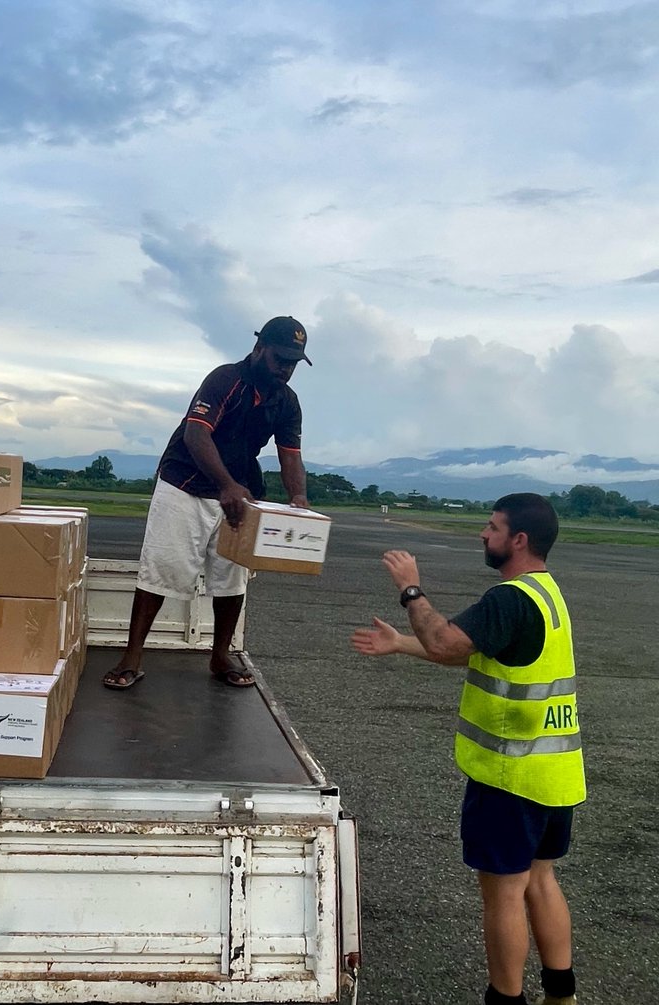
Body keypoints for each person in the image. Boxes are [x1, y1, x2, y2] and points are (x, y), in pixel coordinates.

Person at [351, 493, 584, 1005]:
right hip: (556, 776)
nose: (483, 532)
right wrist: (401, 644)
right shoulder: (548, 595)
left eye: (492, 526)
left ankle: (505, 999)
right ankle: (561, 996)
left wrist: (411, 590)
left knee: (504, 894)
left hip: (511, 777)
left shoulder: (509, 599)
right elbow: (473, 652)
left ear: (517, 540)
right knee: (541, 883)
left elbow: (445, 642)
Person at [102, 316, 311, 690]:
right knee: (161, 567)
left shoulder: (287, 401)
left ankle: (220, 655)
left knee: (232, 575)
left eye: (293, 362)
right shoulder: (225, 379)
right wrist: (226, 484)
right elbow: (196, 433)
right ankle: (132, 656)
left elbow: (290, 454)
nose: (286, 368)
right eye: (280, 359)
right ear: (259, 348)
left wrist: (298, 497)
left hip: (239, 492)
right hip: (185, 482)